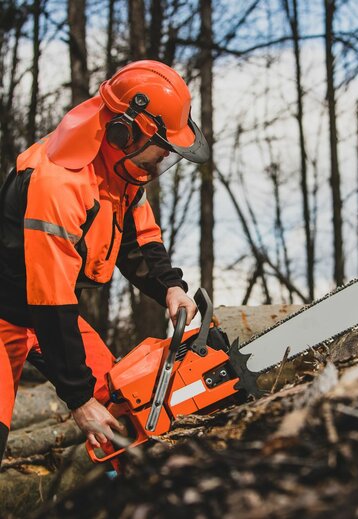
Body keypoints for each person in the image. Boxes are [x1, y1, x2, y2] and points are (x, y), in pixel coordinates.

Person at [0, 60, 209, 463]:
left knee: (123, 405)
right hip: (12, 313)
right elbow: (50, 296)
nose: (160, 163)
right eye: (160, 150)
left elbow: (137, 240)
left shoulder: (119, 172)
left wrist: (171, 287)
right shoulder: (57, 183)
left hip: (47, 312)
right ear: (124, 131)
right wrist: (78, 401)